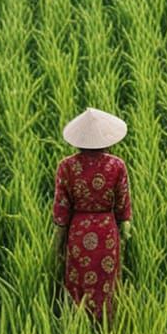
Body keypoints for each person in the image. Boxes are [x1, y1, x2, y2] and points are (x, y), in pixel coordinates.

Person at [52, 108, 132, 322]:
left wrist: (58, 240)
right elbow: (123, 203)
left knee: (78, 278)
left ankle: (77, 322)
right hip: (106, 229)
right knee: (106, 280)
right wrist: (124, 229)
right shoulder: (117, 165)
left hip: (79, 229)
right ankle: (105, 324)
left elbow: (61, 207)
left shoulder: (66, 166)